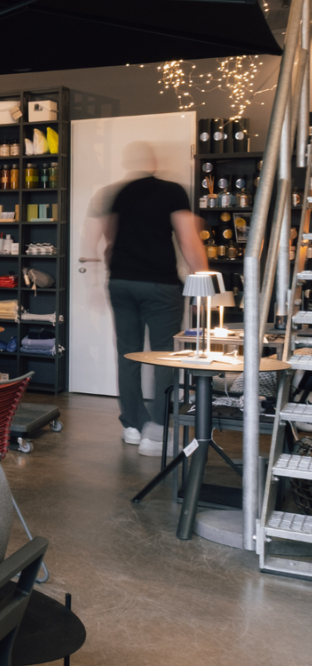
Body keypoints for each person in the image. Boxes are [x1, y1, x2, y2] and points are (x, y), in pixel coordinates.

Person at [94, 142, 208, 456]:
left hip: (121, 283)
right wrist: (205, 281)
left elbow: (109, 236)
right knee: (164, 358)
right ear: (155, 162)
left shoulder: (120, 193)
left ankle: (132, 425)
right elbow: (188, 239)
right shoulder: (172, 191)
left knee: (128, 355)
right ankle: (156, 434)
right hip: (160, 286)